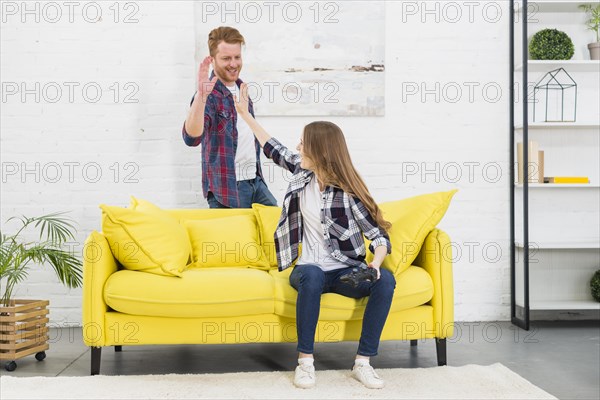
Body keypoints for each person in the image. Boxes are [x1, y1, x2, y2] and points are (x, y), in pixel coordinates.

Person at [233, 84, 396, 389]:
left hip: (346, 273)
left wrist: (376, 263)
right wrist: (245, 114)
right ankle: (306, 363)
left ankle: (363, 363)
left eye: (304, 143)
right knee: (311, 274)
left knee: (386, 280)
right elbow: (273, 147)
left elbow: (378, 235)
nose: (298, 147)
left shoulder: (348, 194)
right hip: (308, 272)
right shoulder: (301, 173)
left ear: (320, 152)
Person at [181, 26, 277, 209]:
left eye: (237, 57)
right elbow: (191, 138)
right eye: (226, 58)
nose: (233, 64)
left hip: (255, 182)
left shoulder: (242, 90)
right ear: (212, 60)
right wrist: (201, 97)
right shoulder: (207, 96)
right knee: (235, 239)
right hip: (228, 189)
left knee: (277, 227)